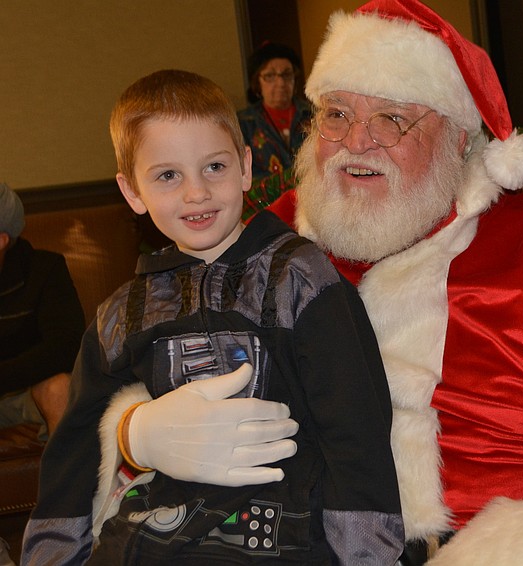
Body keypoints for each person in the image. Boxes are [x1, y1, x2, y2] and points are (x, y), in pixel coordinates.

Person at [88, 1, 523, 564]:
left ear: (454, 139)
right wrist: (136, 432)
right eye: (336, 114)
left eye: (391, 119)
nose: (356, 143)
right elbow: (157, 354)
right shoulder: (271, 237)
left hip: (508, 539)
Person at [21, 69, 403, 565]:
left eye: (215, 167)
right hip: (152, 537)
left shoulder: (301, 277)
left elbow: (356, 425)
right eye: (167, 175)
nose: (196, 192)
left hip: (283, 534)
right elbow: (74, 446)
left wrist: (366, 554)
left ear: (246, 168)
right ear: (132, 192)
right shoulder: (122, 314)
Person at [0, 181, 84, 438]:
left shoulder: (44, 269)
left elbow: (66, 345)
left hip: (25, 393)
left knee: (58, 387)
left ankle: (68, 476)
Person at [239, 42, 313, 219]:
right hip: (265, 213)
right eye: (270, 76)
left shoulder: (314, 115)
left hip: (310, 208)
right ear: (258, 82)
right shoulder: (243, 123)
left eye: (286, 75)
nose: (280, 83)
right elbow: (243, 179)